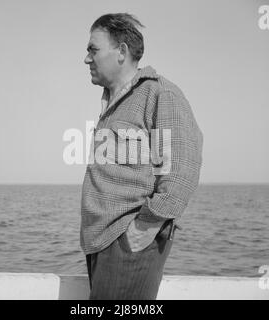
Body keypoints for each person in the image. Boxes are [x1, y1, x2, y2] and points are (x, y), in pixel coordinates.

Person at [80, 13, 203, 300]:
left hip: (129, 242)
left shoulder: (159, 94)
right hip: (103, 243)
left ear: (121, 51)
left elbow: (180, 173)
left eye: (93, 49)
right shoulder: (114, 102)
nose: (86, 59)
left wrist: (140, 231)